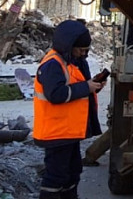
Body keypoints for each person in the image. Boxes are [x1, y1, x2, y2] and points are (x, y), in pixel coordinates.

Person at [34, 19, 104, 199]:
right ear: (69, 45)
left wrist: (92, 86)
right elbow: (55, 94)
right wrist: (85, 87)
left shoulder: (70, 62)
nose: (83, 55)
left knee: (72, 173)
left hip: (67, 132)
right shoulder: (52, 65)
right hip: (56, 134)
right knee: (56, 178)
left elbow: (74, 88)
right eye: (81, 50)